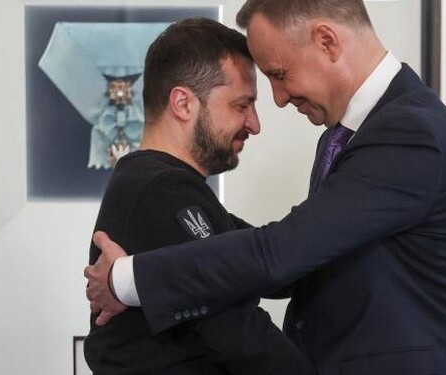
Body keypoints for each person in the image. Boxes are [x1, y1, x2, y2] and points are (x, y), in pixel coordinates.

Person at [86, 1, 446, 374]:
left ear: (326, 42)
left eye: (279, 74)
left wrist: (125, 279)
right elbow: (303, 264)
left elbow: (281, 254)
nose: (278, 100)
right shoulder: (346, 137)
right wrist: (205, 229)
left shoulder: (409, 132)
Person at [84, 18, 313, 375]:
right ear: (183, 104)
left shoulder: (161, 186)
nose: (255, 124)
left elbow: (267, 263)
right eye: (241, 105)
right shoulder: (160, 191)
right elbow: (238, 332)